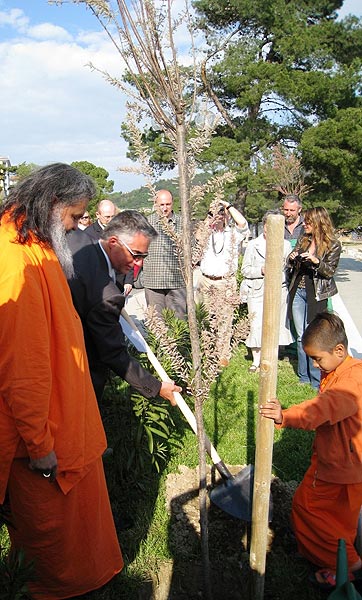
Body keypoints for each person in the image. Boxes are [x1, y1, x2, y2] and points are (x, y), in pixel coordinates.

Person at [0, 163, 123, 599]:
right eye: (73, 217)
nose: (76, 226)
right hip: (44, 441)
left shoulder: (33, 240)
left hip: (65, 424)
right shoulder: (15, 259)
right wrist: (40, 445)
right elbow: (23, 369)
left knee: (77, 542)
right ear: (52, 205)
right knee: (56, 556)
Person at [260, 312, 362, 591]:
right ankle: (342, 557)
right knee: (341, 518)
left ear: (339, 350)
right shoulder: (348, 371)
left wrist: (286, 416)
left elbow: (322, 409)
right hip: (352, 468)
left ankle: (347, 565)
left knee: (306, 508)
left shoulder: (348, 385)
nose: (315, 366)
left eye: (317, 359)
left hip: (336, 468)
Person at [68, 210, 181, 404]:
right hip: (77, 373)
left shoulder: (76, 237)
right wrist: (156, 387)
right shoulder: (107, 295)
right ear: (113, 242)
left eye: (144, 256)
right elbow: (113, 353)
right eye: (136, 255)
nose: (139, 263)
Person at [287, 206, 342, 388]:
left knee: (314, 336)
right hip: (298, 290)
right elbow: (290, 260)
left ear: (318, 223)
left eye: (308, 221)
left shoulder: (333, 244)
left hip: (316, 294)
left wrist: (316, 261)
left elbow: (329, 271)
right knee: (301, 335)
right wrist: (293, 257)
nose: (304, 224)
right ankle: (303, 377)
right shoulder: (304, 239)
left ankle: (316, 379)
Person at [197, 200, 249, 366]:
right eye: (214, 213)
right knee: (204, 317)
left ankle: (222, 354)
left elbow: (243, 223)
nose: (218, 217)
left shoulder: (233, 233)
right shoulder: (206, 233)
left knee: (224, 319)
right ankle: (207, 351)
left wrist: (228, 205)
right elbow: (198, 236)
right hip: (206, 280)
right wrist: (210, 216)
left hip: (225, 282)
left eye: (221, 214)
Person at [241, 210, 293, 372]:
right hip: (257, 289)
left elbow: (288, 270)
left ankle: (271, 357)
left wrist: (278, 274)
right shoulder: (253, 245)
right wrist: (261, 270)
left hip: (278, 290)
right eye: (266, 226)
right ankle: (256, 360)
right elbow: (245, 270)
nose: (268, 230)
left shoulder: (285, 245)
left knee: (276, 324)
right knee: (256, 324)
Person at [142, 189, 187, 319]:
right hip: (153, 282)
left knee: (178, 323)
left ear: (172, 203)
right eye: (161, 204)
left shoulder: (182, 223)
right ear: (155, 204)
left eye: (168, 204)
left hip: (177, 282)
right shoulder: (147, 223)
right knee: (157, 324)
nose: (165, 208)